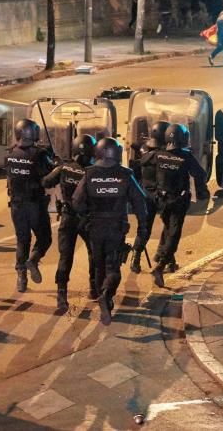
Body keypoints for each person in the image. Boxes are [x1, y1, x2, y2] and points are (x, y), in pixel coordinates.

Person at [71, 137, 148, 325]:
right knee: (113, 267)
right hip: (116, 228)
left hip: (95, 229)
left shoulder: (89, 174)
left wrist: (87, 217)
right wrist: (142, 226)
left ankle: (101, 297)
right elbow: (140, 201)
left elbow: (77, 202)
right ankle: (107, 294)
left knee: (99, 267)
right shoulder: (125, 175)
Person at [43, 134, 98, 313]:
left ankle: (61, 295)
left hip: (68, 217)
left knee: (65, 256)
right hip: (88, 219)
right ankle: (94, 288)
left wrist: (56, 166)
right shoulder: (93, 171)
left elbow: (46, 182)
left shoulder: (64, 167)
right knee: (93, 254)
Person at [150, 124, 210, 288]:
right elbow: (201, 174)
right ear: (183, 138)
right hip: (177, 201)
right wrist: (201, 192)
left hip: (161, 201)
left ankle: (164, 257)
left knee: (168, 228)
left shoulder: (158, 155)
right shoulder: (186, 156)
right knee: (174, 235)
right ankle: (160, 266)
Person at [4, 118, 56, 293]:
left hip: (16, 206)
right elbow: (48, 180)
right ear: (33, 133)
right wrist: (55, 164)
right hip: (35, 205)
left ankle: (21, 278)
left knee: (22, 241)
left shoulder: (10, 153)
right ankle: (33, 260)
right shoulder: (39, 154)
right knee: (45, 238)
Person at [129, 121, 169, 274]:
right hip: (160, 195)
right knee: (169, 228)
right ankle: (165, 258)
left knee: (145, 229)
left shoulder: (145, 150)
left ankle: (136, 257)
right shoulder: (164, 155)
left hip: (145, 194)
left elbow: (135, 144)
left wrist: (143, 144)